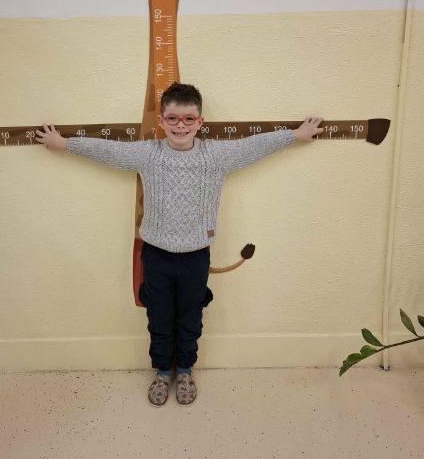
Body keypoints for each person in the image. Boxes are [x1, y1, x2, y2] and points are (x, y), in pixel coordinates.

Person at [35, 83, 323, 407]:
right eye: (172, 118)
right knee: (159, 319)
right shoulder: (148, 154)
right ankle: (162, 372)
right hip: (156, 256)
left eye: (188, 119)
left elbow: (254, 145)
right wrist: (65, 144)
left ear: (200, 122)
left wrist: (294, 136)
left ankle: (184, 370)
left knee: (190, 318)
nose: (180, 126)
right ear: (161, 121)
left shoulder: (215, 156)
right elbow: (109, 150)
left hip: (196, 257)